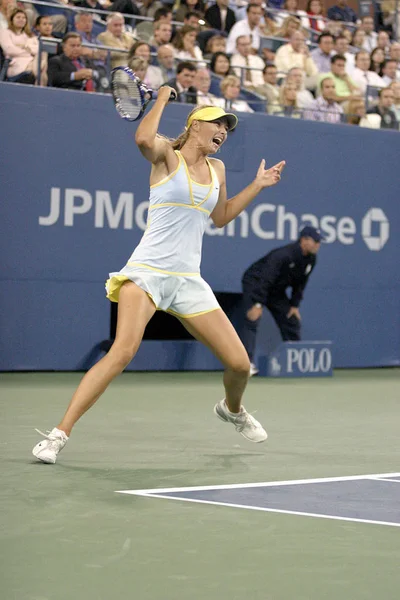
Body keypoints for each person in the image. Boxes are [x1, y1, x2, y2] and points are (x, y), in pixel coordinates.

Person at [32, 101, 286, 463]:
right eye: (217, 124)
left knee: (240, 364)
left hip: (188, 280)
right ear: (195, 125)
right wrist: (163, 93)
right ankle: (58, 435)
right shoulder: (167, 154)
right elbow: (141, 137)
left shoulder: (218, 168)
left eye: (228, 129)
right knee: (123, 352)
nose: (224, 132)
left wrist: (258, 185)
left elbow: (222, 217)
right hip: (148, 272)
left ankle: (232, 410)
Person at [241, 226, 322, 376]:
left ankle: (295, 360)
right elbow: (265, 279)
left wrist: (294, 305)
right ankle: (246, 365)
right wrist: (258, 303)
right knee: (252, 319)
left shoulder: (311, 259)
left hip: (275, 290)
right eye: (315, 241)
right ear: (303, 240)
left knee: (291, 319)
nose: (318, 245)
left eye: (319, 241)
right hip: (256, 284)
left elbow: (301, 283)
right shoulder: (283, 255)